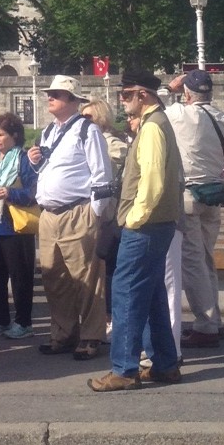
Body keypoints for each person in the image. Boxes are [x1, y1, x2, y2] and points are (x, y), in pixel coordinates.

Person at [90, 68, 183, 392]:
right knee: (153, 294)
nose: (122, 100)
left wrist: (134, 219)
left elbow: (153, 182)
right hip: (156, 225)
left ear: (143, 95)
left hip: (145, 226)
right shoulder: (155, 124)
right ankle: (165, 364)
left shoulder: (153, 128)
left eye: (127, 94)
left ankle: (124, 369)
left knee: (126, 294)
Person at [28, 76, 117, 361]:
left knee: (87, 277)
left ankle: (91, 336)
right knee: (54, 276)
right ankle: (64, 333)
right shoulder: (48, 132)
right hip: (49, 214)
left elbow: (102, 174)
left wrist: (95, 212)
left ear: (72, 100)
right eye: (50, 93)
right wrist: (35, 161)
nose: (50, 97)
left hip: (77, 211)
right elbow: (50, 170)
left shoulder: (87, 130)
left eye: (57, 94)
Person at [165, 69, 224, 350]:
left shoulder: (181, 114)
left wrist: (170, 88)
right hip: (213, 193)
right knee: (206, 259)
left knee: (193, 262)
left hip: (189, 195)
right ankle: (214, 320)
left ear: (187, 93)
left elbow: (151, 109)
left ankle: (205, 325)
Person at [0, 112, 37, 339]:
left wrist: (11, 193)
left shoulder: (23, 160)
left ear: (14, 136)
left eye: (1, 134)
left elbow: (33, 192)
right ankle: (0, 320)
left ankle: (24, 323)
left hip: (16, 228)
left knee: (20, 277)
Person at [81, 98, 129, 322]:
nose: (84, 121)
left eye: (89, 116)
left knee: (108, 266)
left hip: (110, 215)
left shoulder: (114, 144)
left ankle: (110, 316)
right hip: (88, 212)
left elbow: (114, 171)